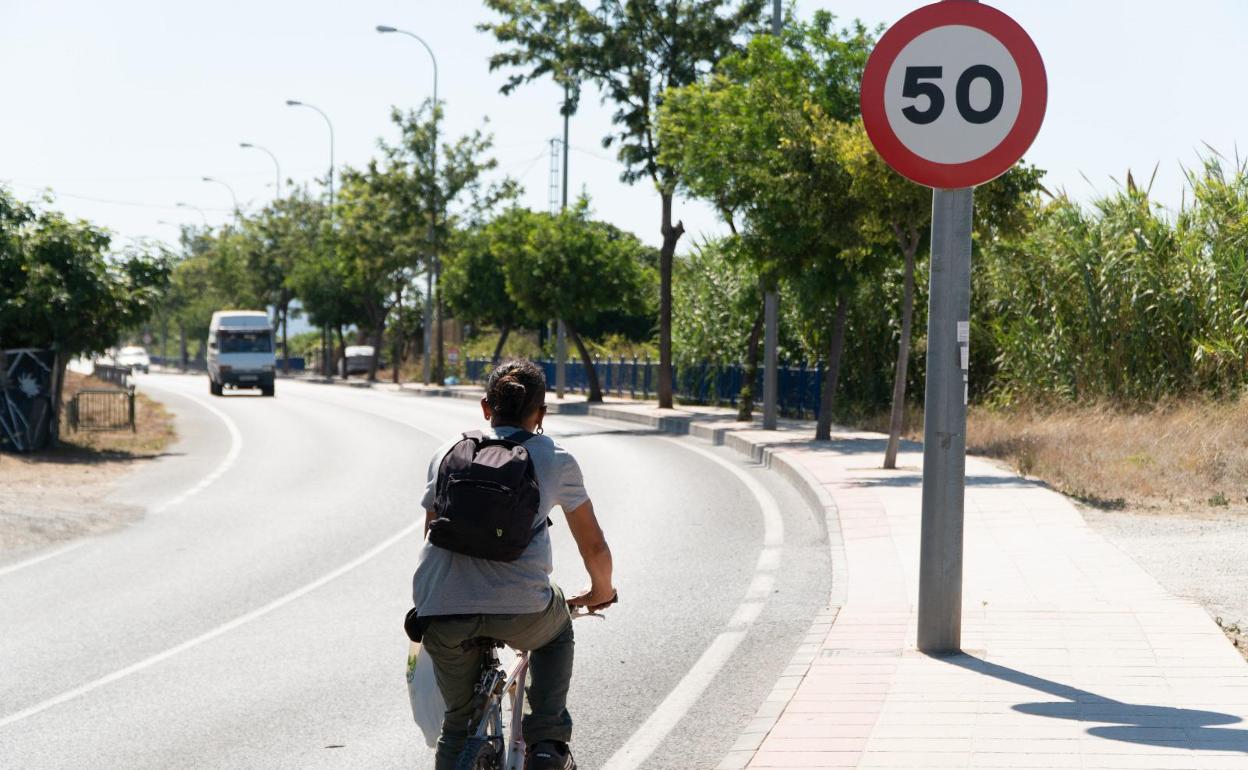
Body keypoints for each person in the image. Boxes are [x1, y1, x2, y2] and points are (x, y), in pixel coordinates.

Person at [412, 359, 615, 770]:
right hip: (522, 608)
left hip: (440, 611)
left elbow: (431, 533)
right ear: (540, 413)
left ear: (487, 407)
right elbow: (593, 547)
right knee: (557, 631)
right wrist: (601, 591)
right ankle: (546, 741)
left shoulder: (447, 452)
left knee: (459, 724)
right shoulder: (555, 458)